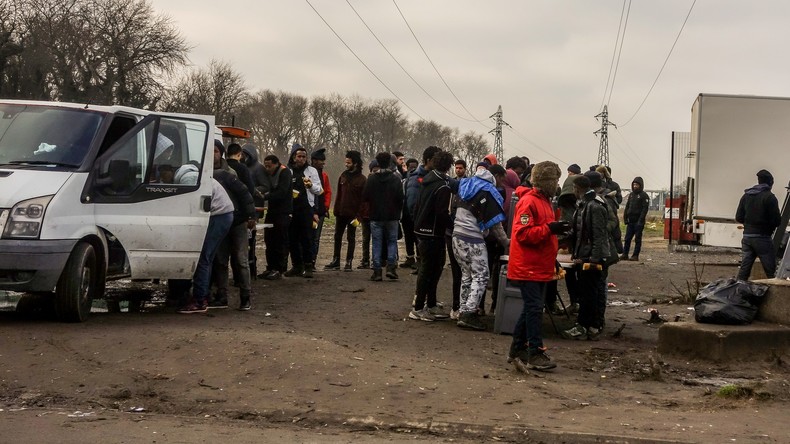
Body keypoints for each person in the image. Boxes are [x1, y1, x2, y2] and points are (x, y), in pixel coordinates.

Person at [506, 161, 564, 371]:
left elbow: (538, 230)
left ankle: (517, 349)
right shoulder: (529, 202)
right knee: (533, 308)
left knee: (532, 307)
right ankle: (535, 352)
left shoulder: (544, 201)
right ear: (546, 181)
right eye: (555, 180)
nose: (557, 184)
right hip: (528, 266)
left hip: (537, 265)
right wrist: (550, 229)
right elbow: (522, 234)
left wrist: (555, 230)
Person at [452, 168, 509, 330]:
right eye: (502, 179)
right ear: (496, 177)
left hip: (457, 235)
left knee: (467, 274)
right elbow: (496, 225)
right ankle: (469, 313)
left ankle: (463, 308)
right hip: (473, 238)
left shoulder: (466, 184)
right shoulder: (488, 191)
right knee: (482, 275)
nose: (502, 183)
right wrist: (506, 242)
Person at [562, 175, 610, 341]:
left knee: (589, 294)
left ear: (577, 188)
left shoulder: (594, 207)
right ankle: (590, 325)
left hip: (591, 258)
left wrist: (593, 259)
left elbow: (599, 236)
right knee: (588, 293)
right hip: (585, 256)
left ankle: (584, 326)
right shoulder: (584, 205)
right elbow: (579, 233)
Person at [177, 178, 235, 313]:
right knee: (207, 258)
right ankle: (203, 295)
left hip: (218, 215)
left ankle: (199, 300)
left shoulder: (187, 180)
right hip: (223, 214)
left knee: (204, 257)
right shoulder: (194, 175)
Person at [209, 143, 257, 311]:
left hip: (237, 221)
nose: (212, 154)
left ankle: (245, 297)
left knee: (241, 259)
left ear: (221, 153)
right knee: (220, 260)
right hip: (219, 222)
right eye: (210, 151)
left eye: (215, 151)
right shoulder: (204, 173)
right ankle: (222, 296)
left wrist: (251, 216)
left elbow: (245, 194)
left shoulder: (231, 173)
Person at [409, 150, 454, 321]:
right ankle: (419, 308)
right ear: (448, 166)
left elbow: (417, 205)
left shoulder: (426, 180)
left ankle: (431, 304)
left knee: (430, 268)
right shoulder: (443, 186)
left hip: (421, 229)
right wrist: (453, 226)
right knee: (430, 270)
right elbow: (442, 213)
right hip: (434, 233)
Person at [362, 152, 404, 281]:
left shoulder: (372, 179)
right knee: (392, 241)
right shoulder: (396, 179)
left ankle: (377, 270)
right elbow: (400, 198)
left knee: (376, 242)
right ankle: (391, 268)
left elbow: (365, 196)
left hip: (376, 215)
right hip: (392, 215)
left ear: (378, 163)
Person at [736, 169, 782, 280]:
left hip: (747, 237)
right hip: (762, 238)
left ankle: (737, 291)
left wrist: (749, 225)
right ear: (770, 183)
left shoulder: (746, 196)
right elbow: (777, 221)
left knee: (744, 270)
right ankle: (774, 295)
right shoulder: (770, 197)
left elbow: (738, 217)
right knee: (771, 271)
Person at [325, 150, 366, 271]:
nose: (346, 164)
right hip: (340, 213)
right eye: (346, 162)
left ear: (355, 163)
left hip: (353, 215)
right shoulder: (343, 175)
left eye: (348, 162)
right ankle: (336, 260)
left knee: (351, 238)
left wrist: (359, 217)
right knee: (337, 236)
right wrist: (336, 210)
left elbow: (364, 201)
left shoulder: (362, 180)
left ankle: (349, 262)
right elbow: (339, 195)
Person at [286, 144, 323, 278]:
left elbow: (320, 190)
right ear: (293, 157)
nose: (301, 159)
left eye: (303, 156)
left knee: (307, 238)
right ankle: (296, 265)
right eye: (298, 156)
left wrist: (311, 185)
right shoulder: (288, 170)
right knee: (292, 239)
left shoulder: (311, 171)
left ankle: (308, 266)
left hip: (306, 208)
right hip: (291, 209)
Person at [259, 154, 293, 280]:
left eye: (269, 166)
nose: (267, 169)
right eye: (265, 166)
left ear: (276, 164)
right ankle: (270, 267)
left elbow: (282, 192)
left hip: (283, 212)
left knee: (280, 241)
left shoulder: (285, 173)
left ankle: (279, 268)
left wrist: (265, 196)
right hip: (272, 211)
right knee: (269, 239)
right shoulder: (270, 174)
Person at [242, 143, 268, 278]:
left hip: (255, 208)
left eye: (246, 155)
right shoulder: (243, 167)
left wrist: (253, 191)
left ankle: (252, 271)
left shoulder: (259, 168)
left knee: (250, 241)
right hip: (244, 207)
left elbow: (265, 186)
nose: (244, 157)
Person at [310, 148, 332, 269]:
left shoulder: (324, 176)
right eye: (321, 160)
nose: (323, 163)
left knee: (316, 238)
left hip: (321, 211)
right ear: (314, 161)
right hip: (309, 211)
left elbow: (328, 191)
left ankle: (312, 261)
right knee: (308, 236)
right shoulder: (308, 174)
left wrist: (326, 206)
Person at [399, 158, 421, 269]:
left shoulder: (420, 179)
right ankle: (410, 257)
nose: (412, 168)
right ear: (407, 167)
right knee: (408, 236)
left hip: (416, 213)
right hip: (405, 213)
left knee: (417, 237)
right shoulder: (404, 179)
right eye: (411, 166)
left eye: (414, 166)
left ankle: (418, 258)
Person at [620, 176, 650, 261]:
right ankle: (625, 254)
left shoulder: (644, 196)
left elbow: (645, 209)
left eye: (637, 185)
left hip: (638, 221)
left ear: (640, 185)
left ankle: (635, 255)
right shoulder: (631, 195)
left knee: (637, 239)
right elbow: (627, 206)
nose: (635, 186)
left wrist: (641, 220)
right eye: (634, 184)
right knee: (627, 238)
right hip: (630, 221)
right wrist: (625, 218)